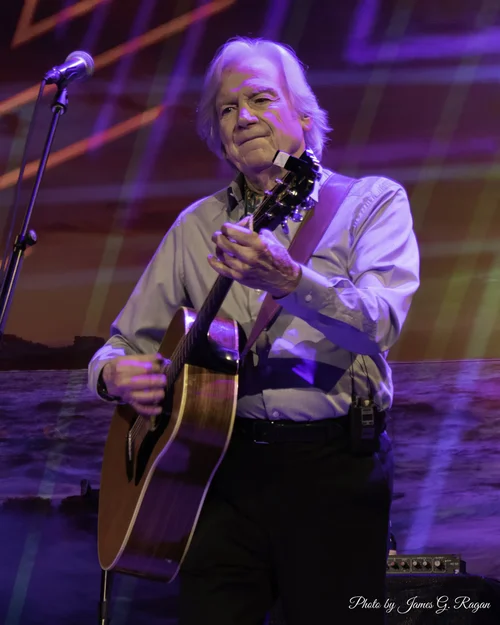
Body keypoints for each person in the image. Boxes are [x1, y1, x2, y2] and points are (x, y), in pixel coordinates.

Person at [88, 37, 420, 625]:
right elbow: (122, 344)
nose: (242, 117)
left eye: (260, 99)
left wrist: (292, 280)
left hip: (333, 469)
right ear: (219, 137)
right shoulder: (195, 226)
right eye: (226, 108)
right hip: (218, 471)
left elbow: (381, 324)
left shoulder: (371, 203)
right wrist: (113, 375)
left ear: (304, 115)